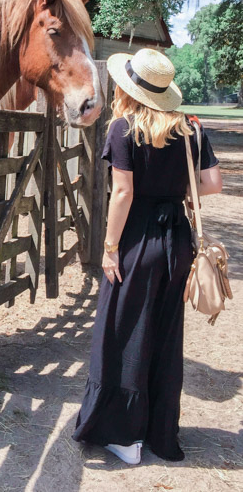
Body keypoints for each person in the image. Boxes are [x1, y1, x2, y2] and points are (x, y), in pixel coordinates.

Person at [73, 48, 222, 465]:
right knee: (164, 335)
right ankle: (159, 434)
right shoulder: (191, 129)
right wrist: (174, 188)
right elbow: (212, 184)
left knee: (121, 333)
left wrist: (109, 247)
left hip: (137, 240)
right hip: (176, 240)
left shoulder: (122, 129)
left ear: (127, 88)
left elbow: (122, 193)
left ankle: (125, 436)